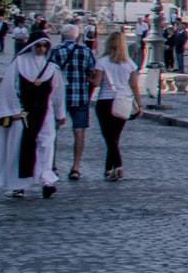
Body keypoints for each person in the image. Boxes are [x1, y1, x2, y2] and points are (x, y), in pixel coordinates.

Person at [0, 35, 66, 199]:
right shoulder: (19, 63)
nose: (41, 49)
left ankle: (46, 180)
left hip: (45, 111)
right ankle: (18, 184)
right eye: (39, 46)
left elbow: (57, 92)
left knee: (46, 144)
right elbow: (8, 87)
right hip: (23, 112)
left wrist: (60, 113)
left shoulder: (51, 67)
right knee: (20, 146)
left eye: (44, 46)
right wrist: (12, 110)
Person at [89, 30, 143, 181]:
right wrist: (139, 104)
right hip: (123, 101)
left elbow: (97, 82)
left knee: (109, 137)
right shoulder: (130, 64)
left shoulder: (102, 62)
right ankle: (108, 169)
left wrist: (90, 79)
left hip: (105, 101)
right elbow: (134, 85)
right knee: (114, 137)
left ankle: (118, 166)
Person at [48, 23, 99, 183]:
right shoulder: (86, 51)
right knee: (79, 132)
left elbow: (47, 74)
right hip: (79, 96)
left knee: (52, 132)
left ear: (62, 36)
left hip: (58, 98)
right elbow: (92, 75)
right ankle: (75, 167)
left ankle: (52, 165)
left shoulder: (55, 51)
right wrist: (88, 92)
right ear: (77, 36)